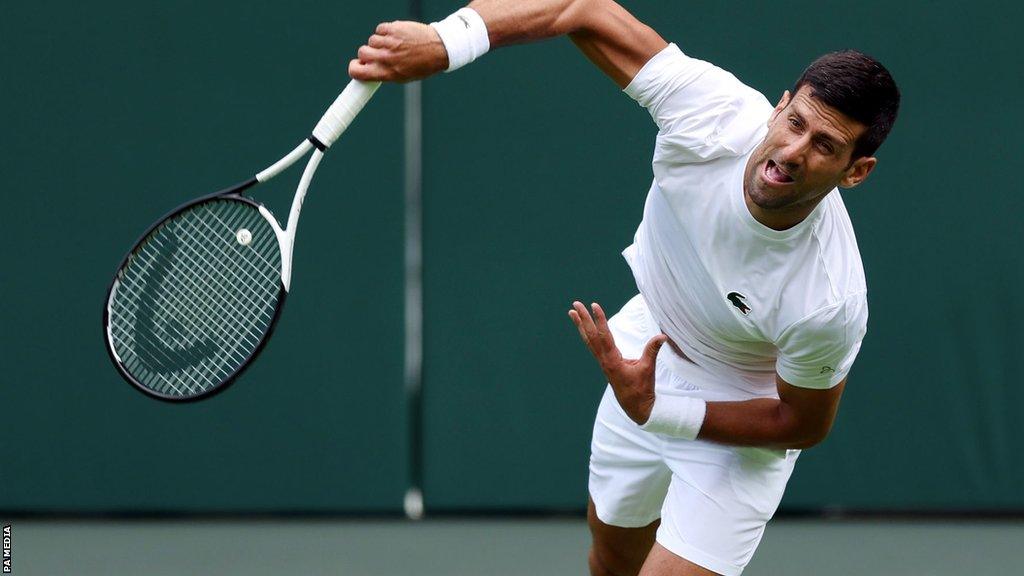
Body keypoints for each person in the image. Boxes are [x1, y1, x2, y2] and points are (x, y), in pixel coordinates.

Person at [348, 1, 900, 574]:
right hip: (648, 348)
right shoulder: (711, 112)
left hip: (742, 414)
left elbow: (803, 422)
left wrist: (664, 411)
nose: (792, 152)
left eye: (825, 146)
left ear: (855, 171)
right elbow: (580, 7)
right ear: (779, 107)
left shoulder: (828, 300)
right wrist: (446, 42)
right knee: (611, 560)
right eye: (796, 123)